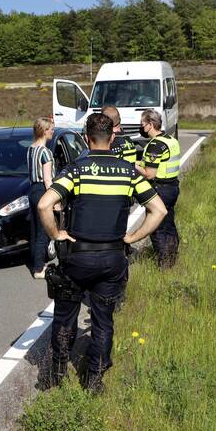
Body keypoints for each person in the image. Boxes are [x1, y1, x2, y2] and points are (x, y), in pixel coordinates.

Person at [37, 113, 166, 393]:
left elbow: (44, 205)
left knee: (65, 315)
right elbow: (159, 210)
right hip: (112, 258)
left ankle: (56, 374)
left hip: (76, 258)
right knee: (103, 320)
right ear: (112, 138)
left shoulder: (75, 170)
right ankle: (95, 379)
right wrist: (132, 236)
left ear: (86, 138)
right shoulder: (128, 172)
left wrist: (56, 234)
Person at [137, 109, 182, 268]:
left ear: (150, 125)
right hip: (173, 187)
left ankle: (164, 264)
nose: (141, 127)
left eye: (142, 124)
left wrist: (133, 165)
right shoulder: (171, 139)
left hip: (160, 190)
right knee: (168, 224)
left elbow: (149, 174)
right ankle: (173, 257)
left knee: (157, 228)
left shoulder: (155, 145)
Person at [27, 117, 55, 279]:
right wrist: (54, 200)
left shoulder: (30, 149)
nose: (52, 131)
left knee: (34, 229)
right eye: (50, 129)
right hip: (42, 191)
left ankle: (35, 262)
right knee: (43, 230)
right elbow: (47, 179)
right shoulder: (45, 152)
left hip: (32, 190)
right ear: (44, 131)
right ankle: (38, 269)